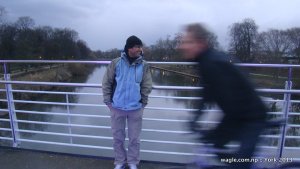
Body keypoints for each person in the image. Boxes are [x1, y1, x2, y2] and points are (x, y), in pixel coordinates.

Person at [178, 23, 267, 169]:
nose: (182, 46)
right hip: (237, 115)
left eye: (187, 42)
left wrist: (211, 128)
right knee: (216, 146)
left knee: (241, 163)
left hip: (253, 118)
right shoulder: (204, 62)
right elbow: (206, 94)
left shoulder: (213, 62)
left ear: (201, 43)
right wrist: (195, 119)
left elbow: (232, 102)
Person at [102, 35, 152, 169]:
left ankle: (133, 162)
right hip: (117, 107)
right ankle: (119, 162)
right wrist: (108, 102)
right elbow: (107, 82)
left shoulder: (144, 65)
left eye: (140, 47)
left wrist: (143, 103)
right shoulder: (116, 62)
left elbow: (147, 85)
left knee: (134, 139)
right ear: (130, 48)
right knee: (118, 138)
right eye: (137, 47)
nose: (140, 49)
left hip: (135, 108)